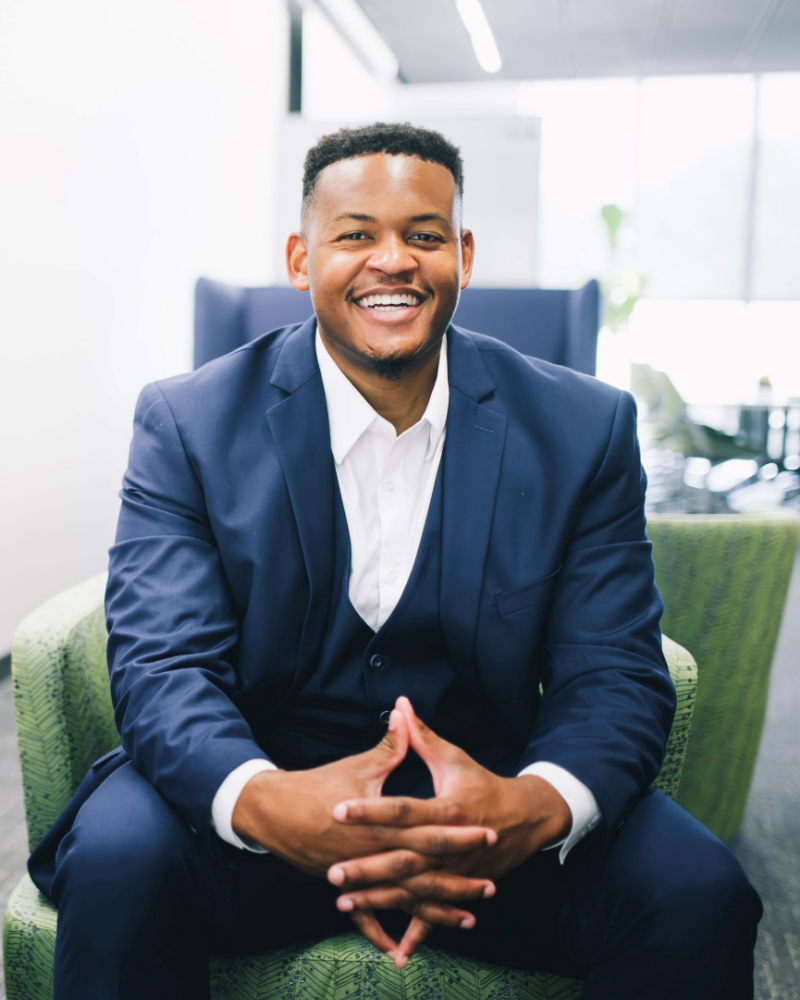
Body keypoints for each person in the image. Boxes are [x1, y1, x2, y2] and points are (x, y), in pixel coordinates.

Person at [29, 122, 762, 1000]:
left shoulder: (583, 428)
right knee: (116, 859)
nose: (394, 261)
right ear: (302, 259)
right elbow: (162, 663)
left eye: (424, 235)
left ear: (463, 254)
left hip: (485, 814)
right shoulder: (188, 424)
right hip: (256, 804)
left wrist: (528, 808)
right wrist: (267, 804)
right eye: (356, 235)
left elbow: (614, 671)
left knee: (698, 892)